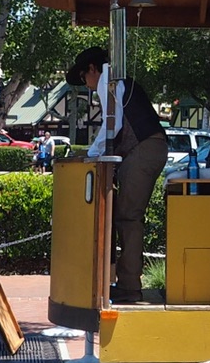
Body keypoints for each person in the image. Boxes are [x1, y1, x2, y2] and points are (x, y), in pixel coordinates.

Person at [70, 47, 167, 304]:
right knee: (127, 216)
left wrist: (90, 154)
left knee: (128, 217)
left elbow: (113, 125)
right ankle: (125, 281)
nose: (87, 85)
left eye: (84, 78)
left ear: (92, 69)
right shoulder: (115, 81)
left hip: (145, 149)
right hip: (148, 148)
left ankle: (129, 285)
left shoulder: (107, 81)